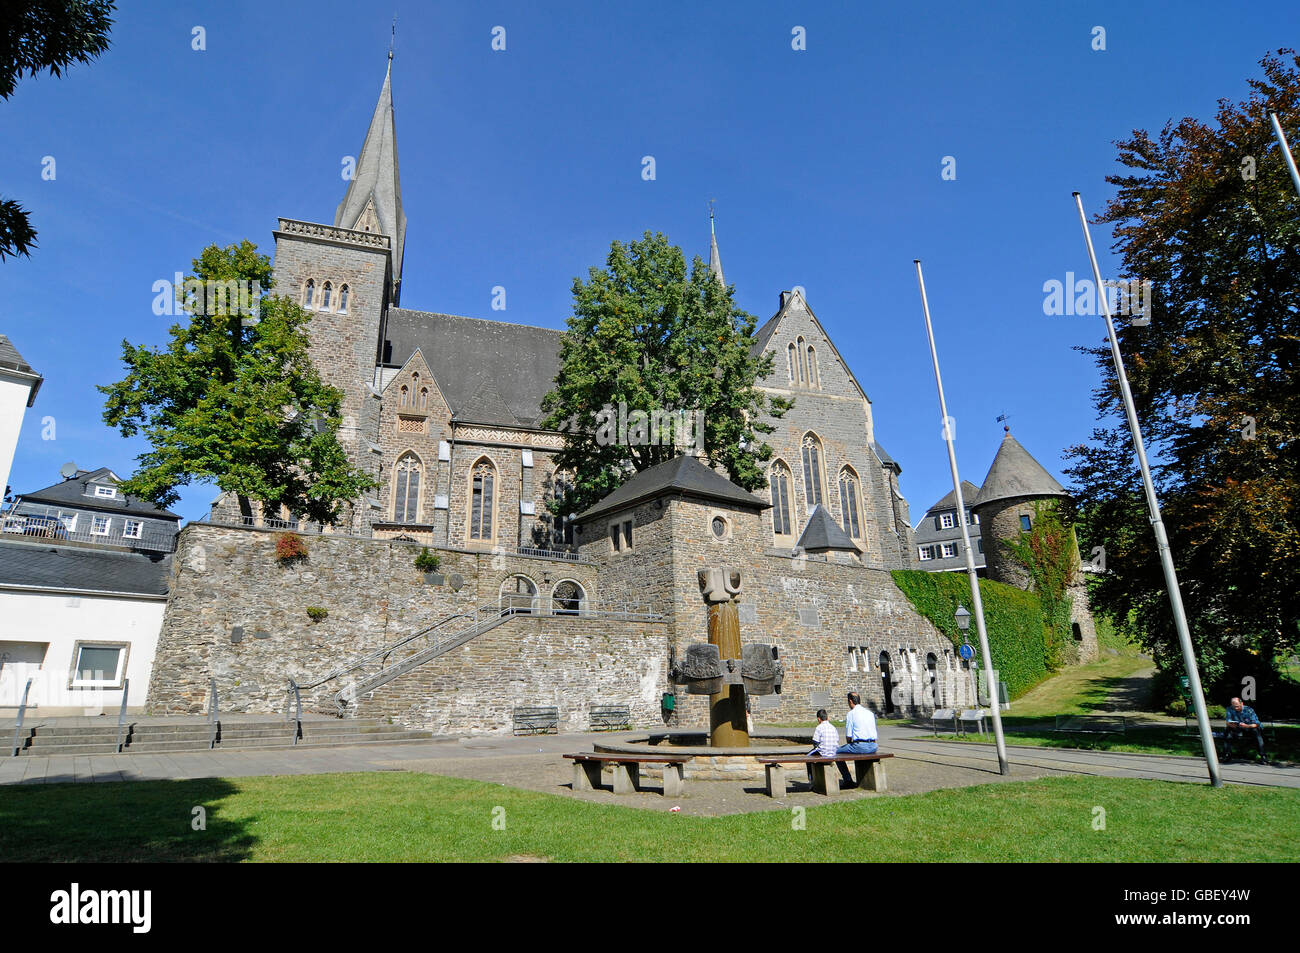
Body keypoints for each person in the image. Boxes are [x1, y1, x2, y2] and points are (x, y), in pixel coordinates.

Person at [835, 692, 878, 787]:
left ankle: (848, 780)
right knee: (857, 749)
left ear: (850, 701)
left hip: (860, 745)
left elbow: (849, 736)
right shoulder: (870, 713)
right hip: (873, 746)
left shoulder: (851, 714)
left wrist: (850, 744)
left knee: (836, 752)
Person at [1223, 697, 1268, 764]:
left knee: (1256, 731)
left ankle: (1263, 756)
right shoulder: (1229, 709)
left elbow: (1256, 724)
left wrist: (1247, 726)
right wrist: (1232, 725)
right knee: (1228, 731)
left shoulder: (1248, 710)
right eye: (1234, 706)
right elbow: (1228, 722)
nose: (1235, 708)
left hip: (1250, 729)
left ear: (1242, 703)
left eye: (1237, 706)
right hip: (1238, 729)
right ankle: (1227, 754)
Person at [807, 708, 839, 782]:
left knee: (807, 758)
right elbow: (837, 740)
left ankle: (811, 780)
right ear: (827, 718)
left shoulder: (819, 727)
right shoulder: (833, 727)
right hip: (834, 752)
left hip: (823, 753)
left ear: (818, 719)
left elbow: (815, 742)